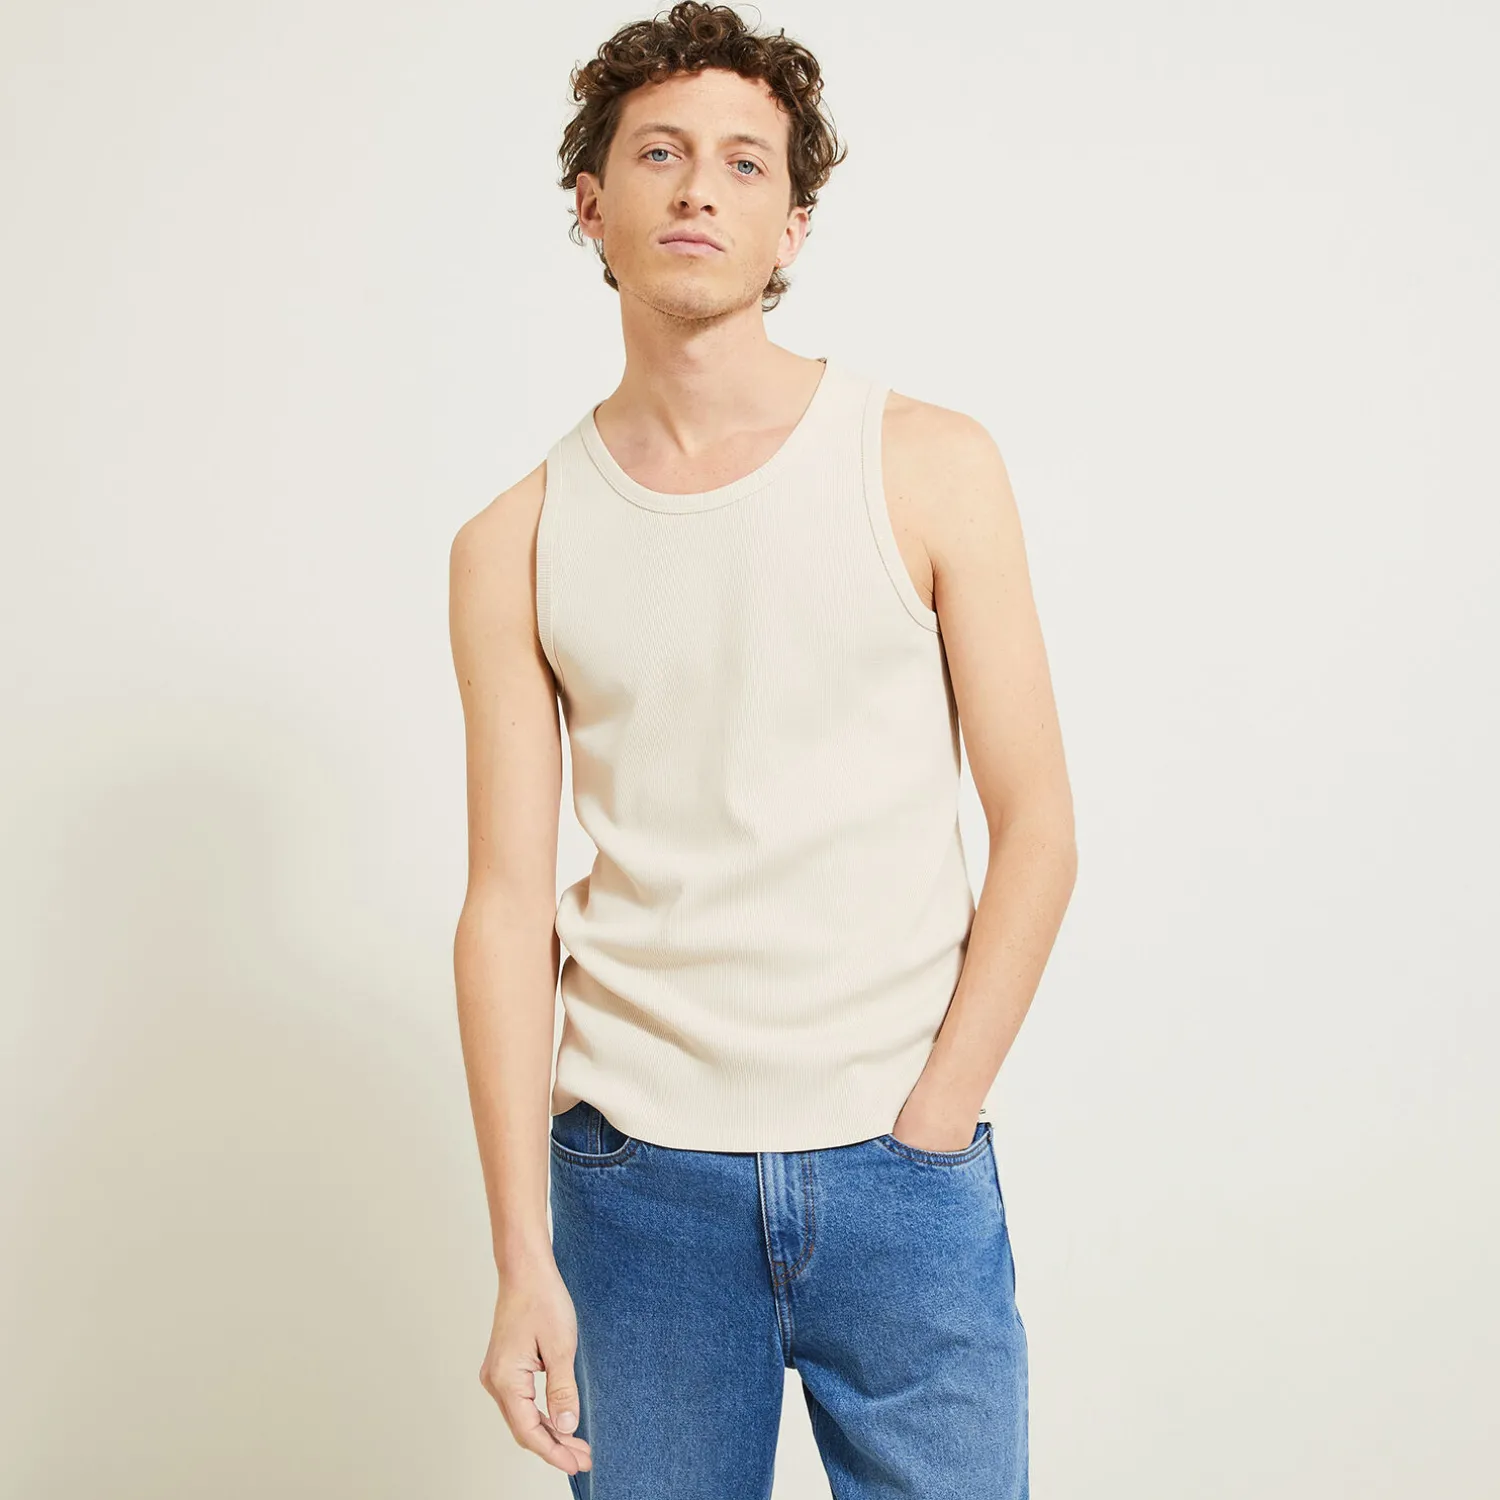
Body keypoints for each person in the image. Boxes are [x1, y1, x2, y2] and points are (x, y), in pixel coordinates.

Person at [447, 5, 1076, 1495]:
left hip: (903, 1170)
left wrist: (933, 1119)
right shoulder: (514, 540)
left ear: (792, 226)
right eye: (658, 153)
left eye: (744, 162)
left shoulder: (926, 463)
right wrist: (521, 1254)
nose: (699, 188)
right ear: (590, 201)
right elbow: (504, 907)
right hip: (634, 1190)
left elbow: (1039, 823)